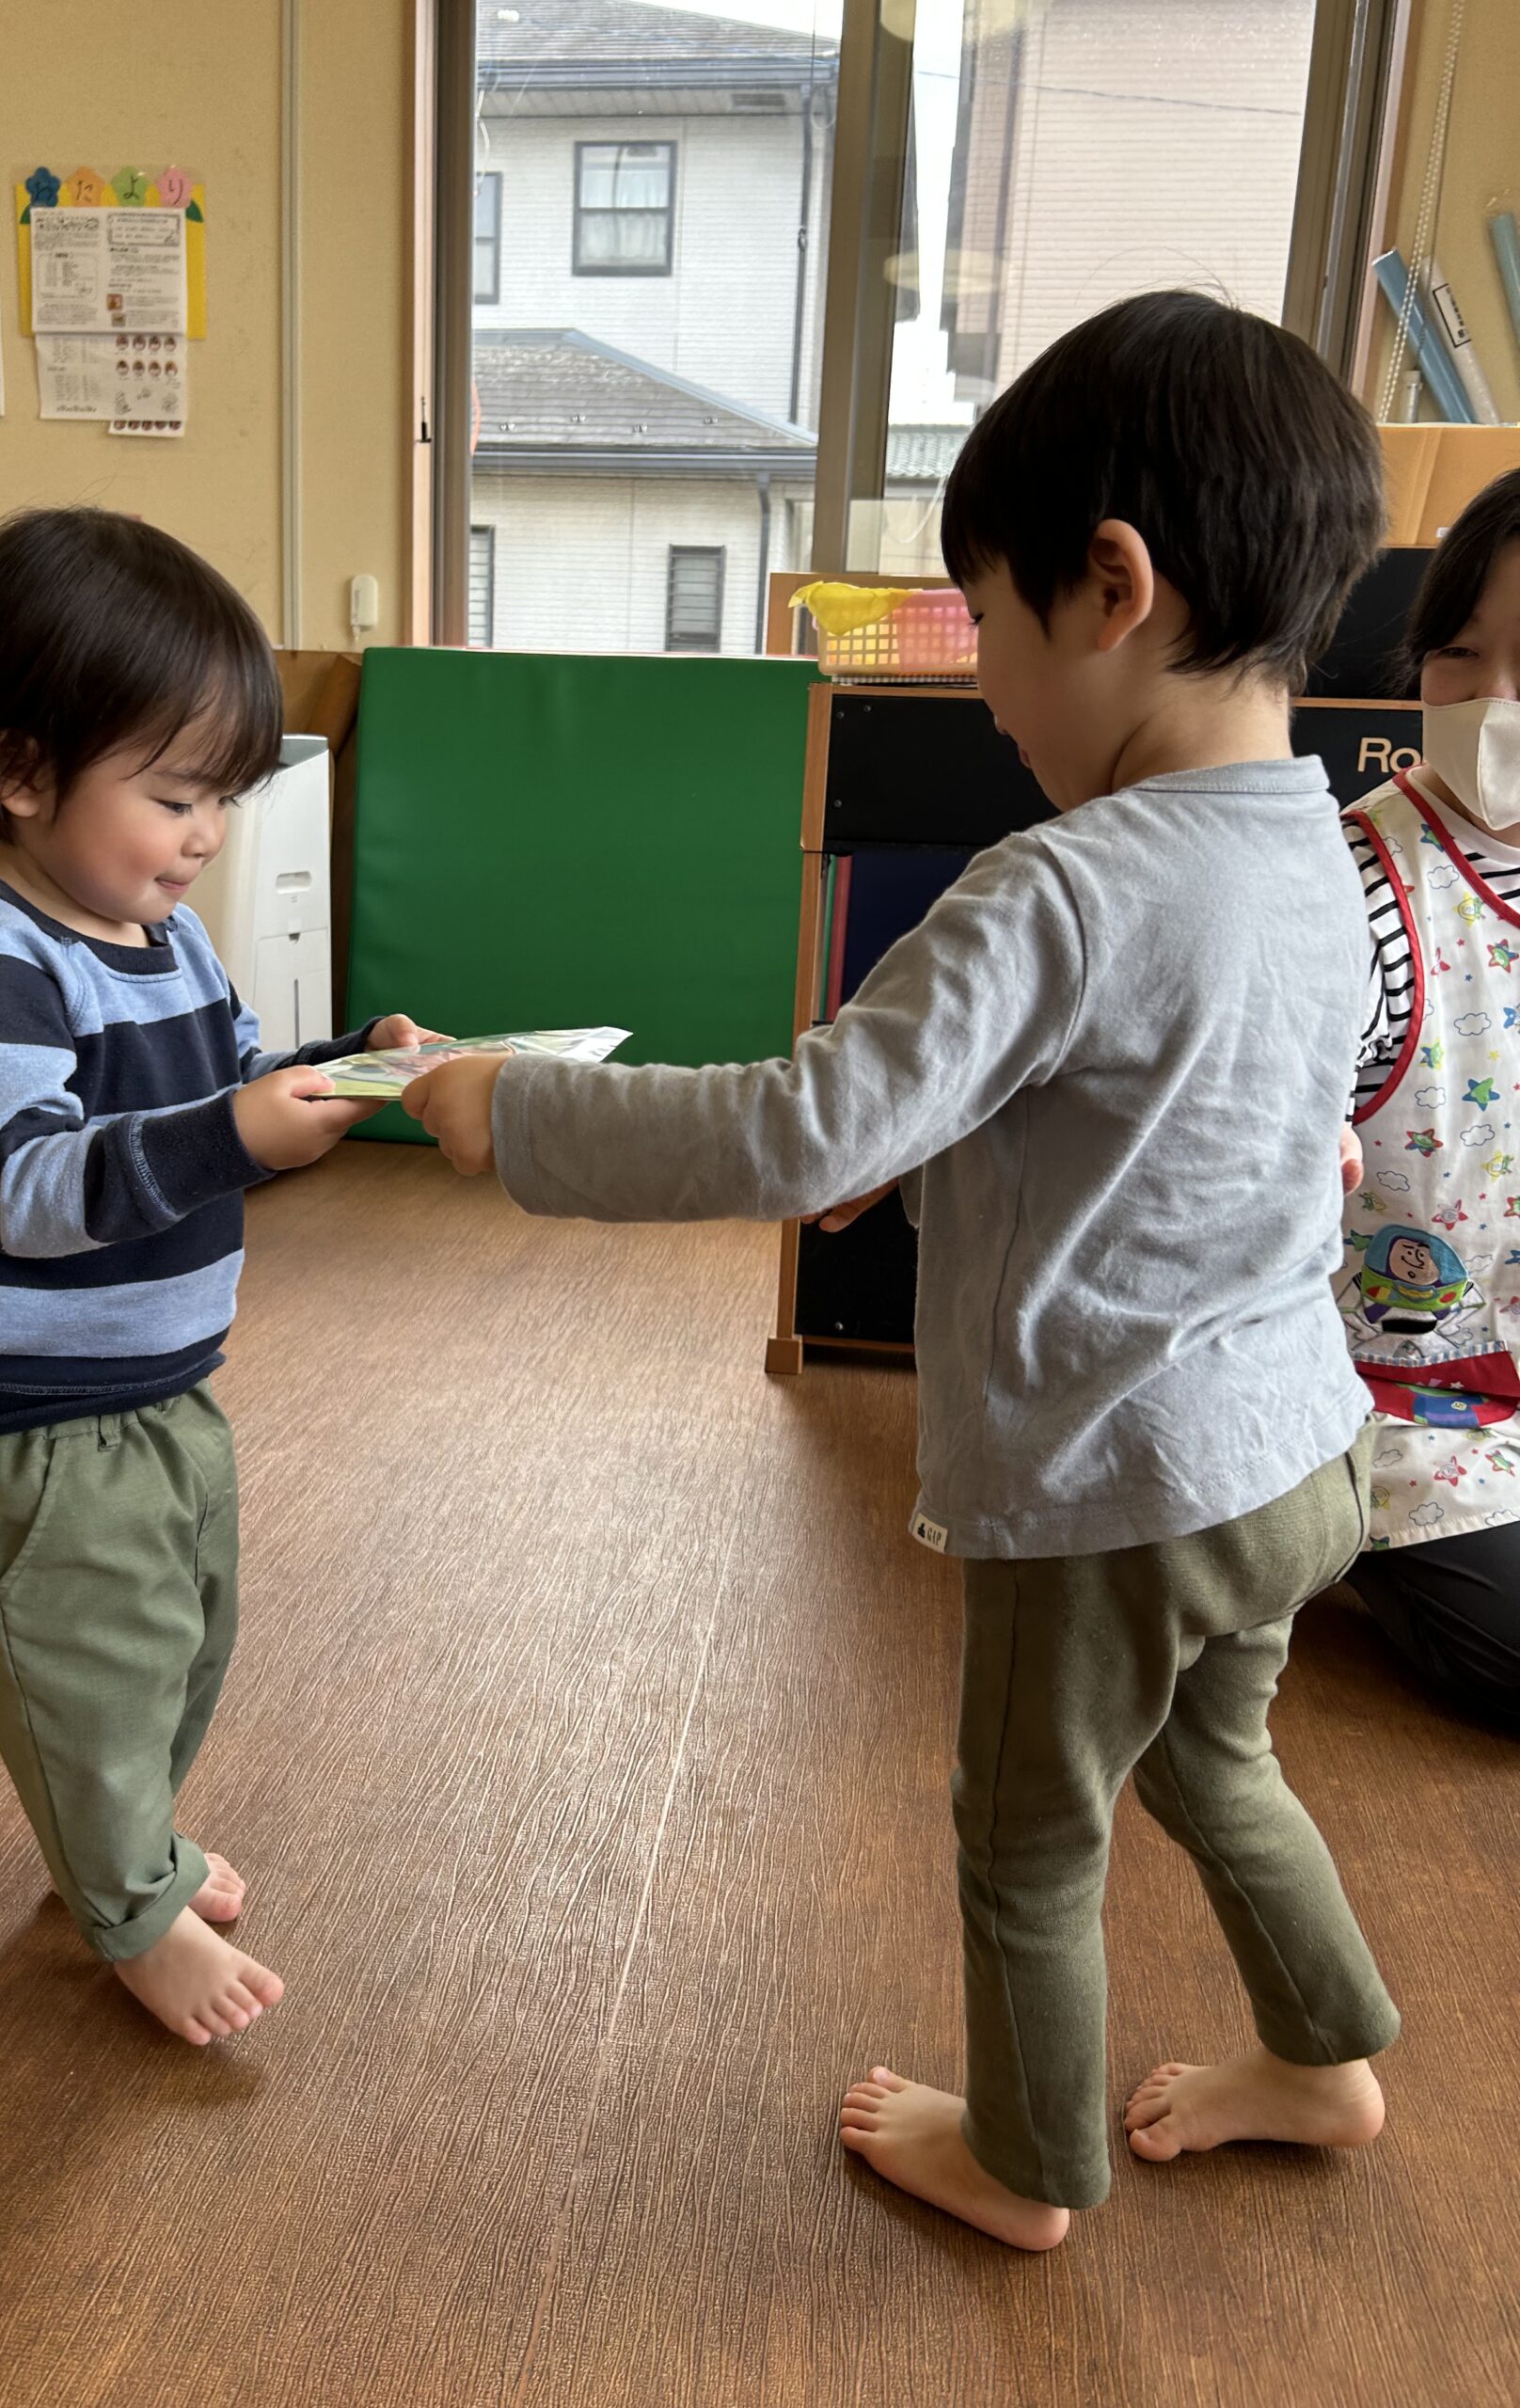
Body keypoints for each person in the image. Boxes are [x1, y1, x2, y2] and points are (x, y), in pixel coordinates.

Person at [405, 292, 1401, 2251]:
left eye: (987, 630)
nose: (992, 695)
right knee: (1217, 1760)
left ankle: (1024, 2165)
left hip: (1112, 1489)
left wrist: (515, 1110)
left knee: (1027, 1836)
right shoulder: (1323, 848)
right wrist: (935, 1149)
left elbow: (795, 1128)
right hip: (1296, 1452)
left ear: (1110, 586)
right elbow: (1181, 1123)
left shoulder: (1058, 885)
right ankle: (1325, 2056)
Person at [0, 508, 438, 2046]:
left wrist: (347, 1070)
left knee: (180, 1645)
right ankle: (126, 1904)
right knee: (93, 1682)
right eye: (174, 797)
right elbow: (24, 1187)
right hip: (27, 1428)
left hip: (164, 1388)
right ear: (21, 773)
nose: (205, 837)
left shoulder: (164, 939)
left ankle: (125, 1848)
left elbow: (224, 1097)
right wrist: (238, 1132)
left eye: (221, 800)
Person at [1338, 468, 1520, 1730]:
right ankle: (1339, 1539)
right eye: (1458, 655)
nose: (1493, 700)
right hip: (1407, 1395)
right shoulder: (1355, 883)